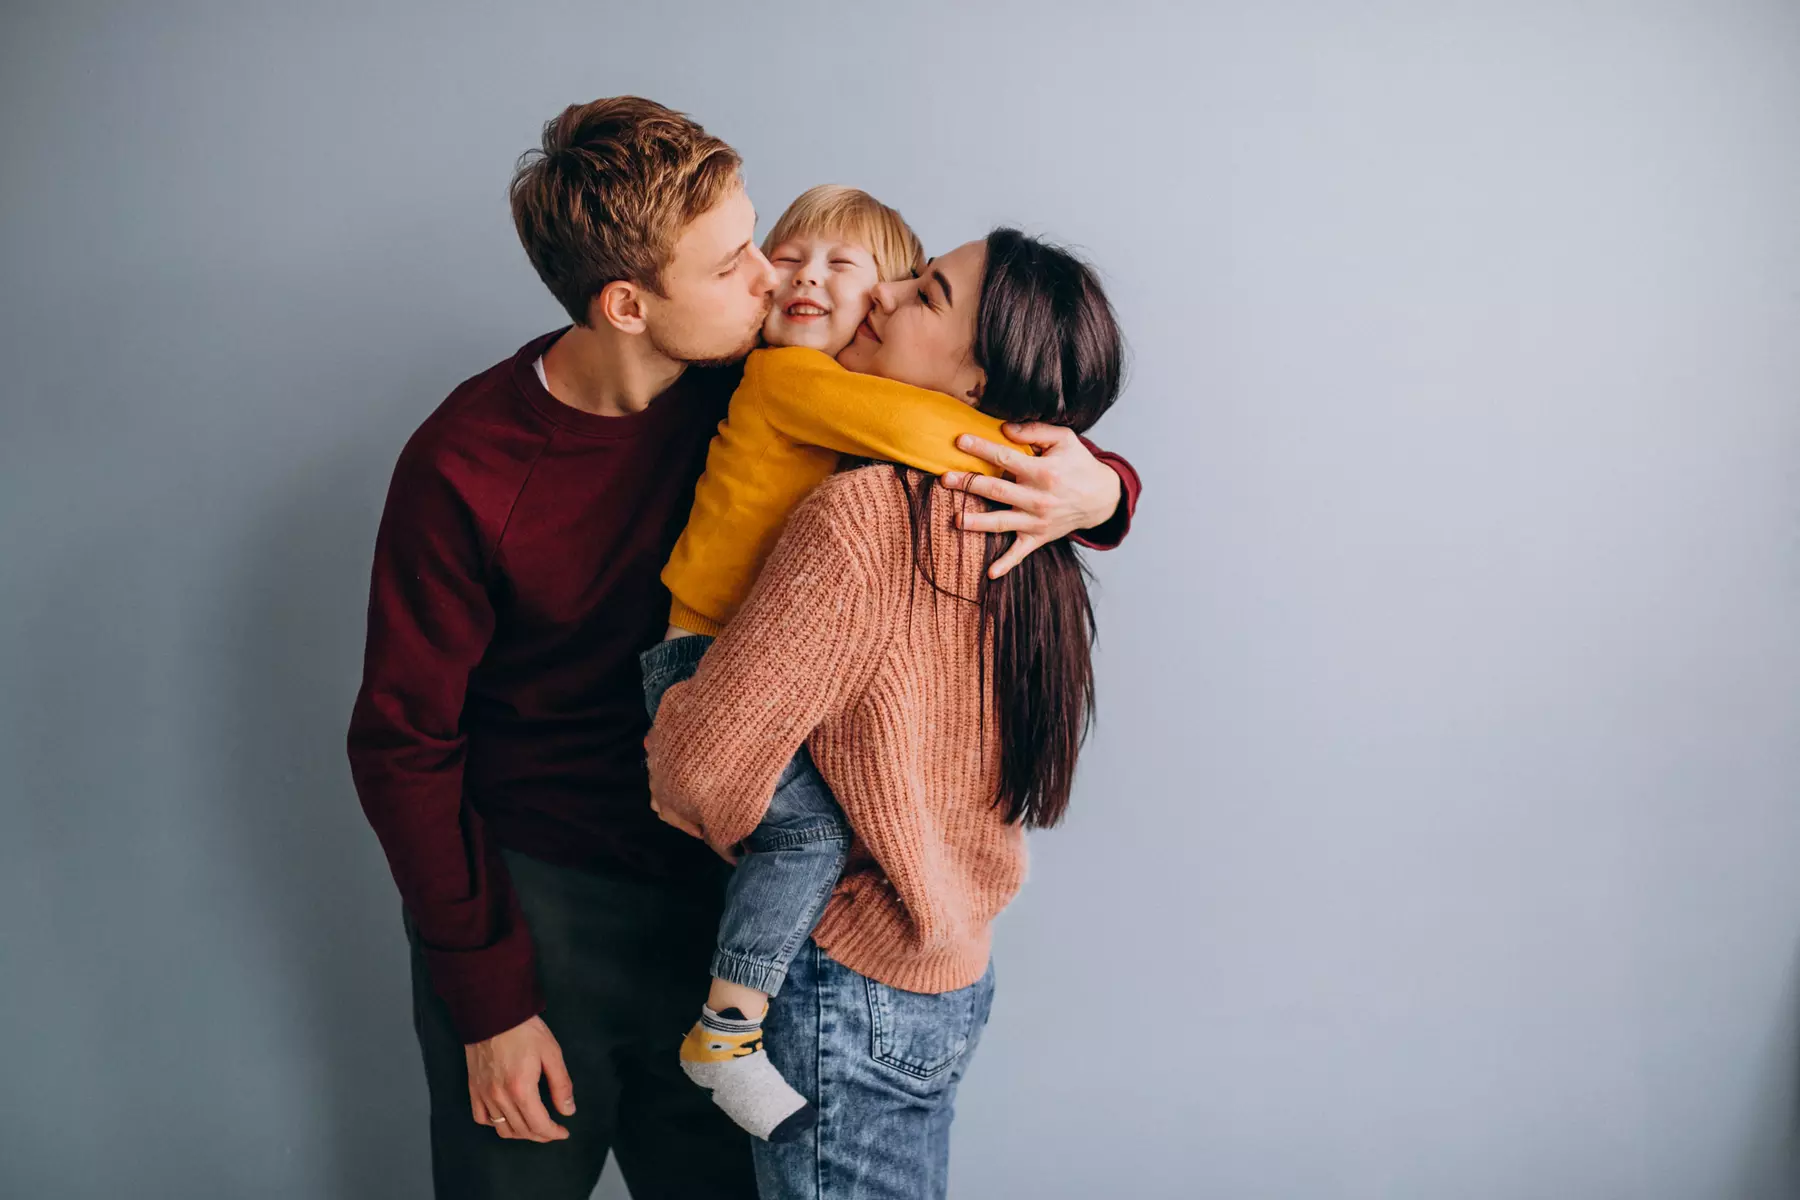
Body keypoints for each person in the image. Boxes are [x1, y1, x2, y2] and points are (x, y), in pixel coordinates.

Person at [345, 97, 1141, 1200]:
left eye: (757, 240)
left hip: (735, 916)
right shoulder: (464, 466)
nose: (772, 279)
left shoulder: (763, 381)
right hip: (539, 917)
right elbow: (403, 746)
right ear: (629, 304)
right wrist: (488, 1003)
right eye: (732, 266)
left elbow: (975, 394)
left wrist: (1100, 489)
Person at [647, 227, 1127, 1199]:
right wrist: (1107, 489)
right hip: (948, 970)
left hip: (848, 981)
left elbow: (700, 770)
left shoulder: (863, 518)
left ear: (978, 380)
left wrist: (679, 742)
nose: (885, 294)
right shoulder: (1035, 523)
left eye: (927, 294)